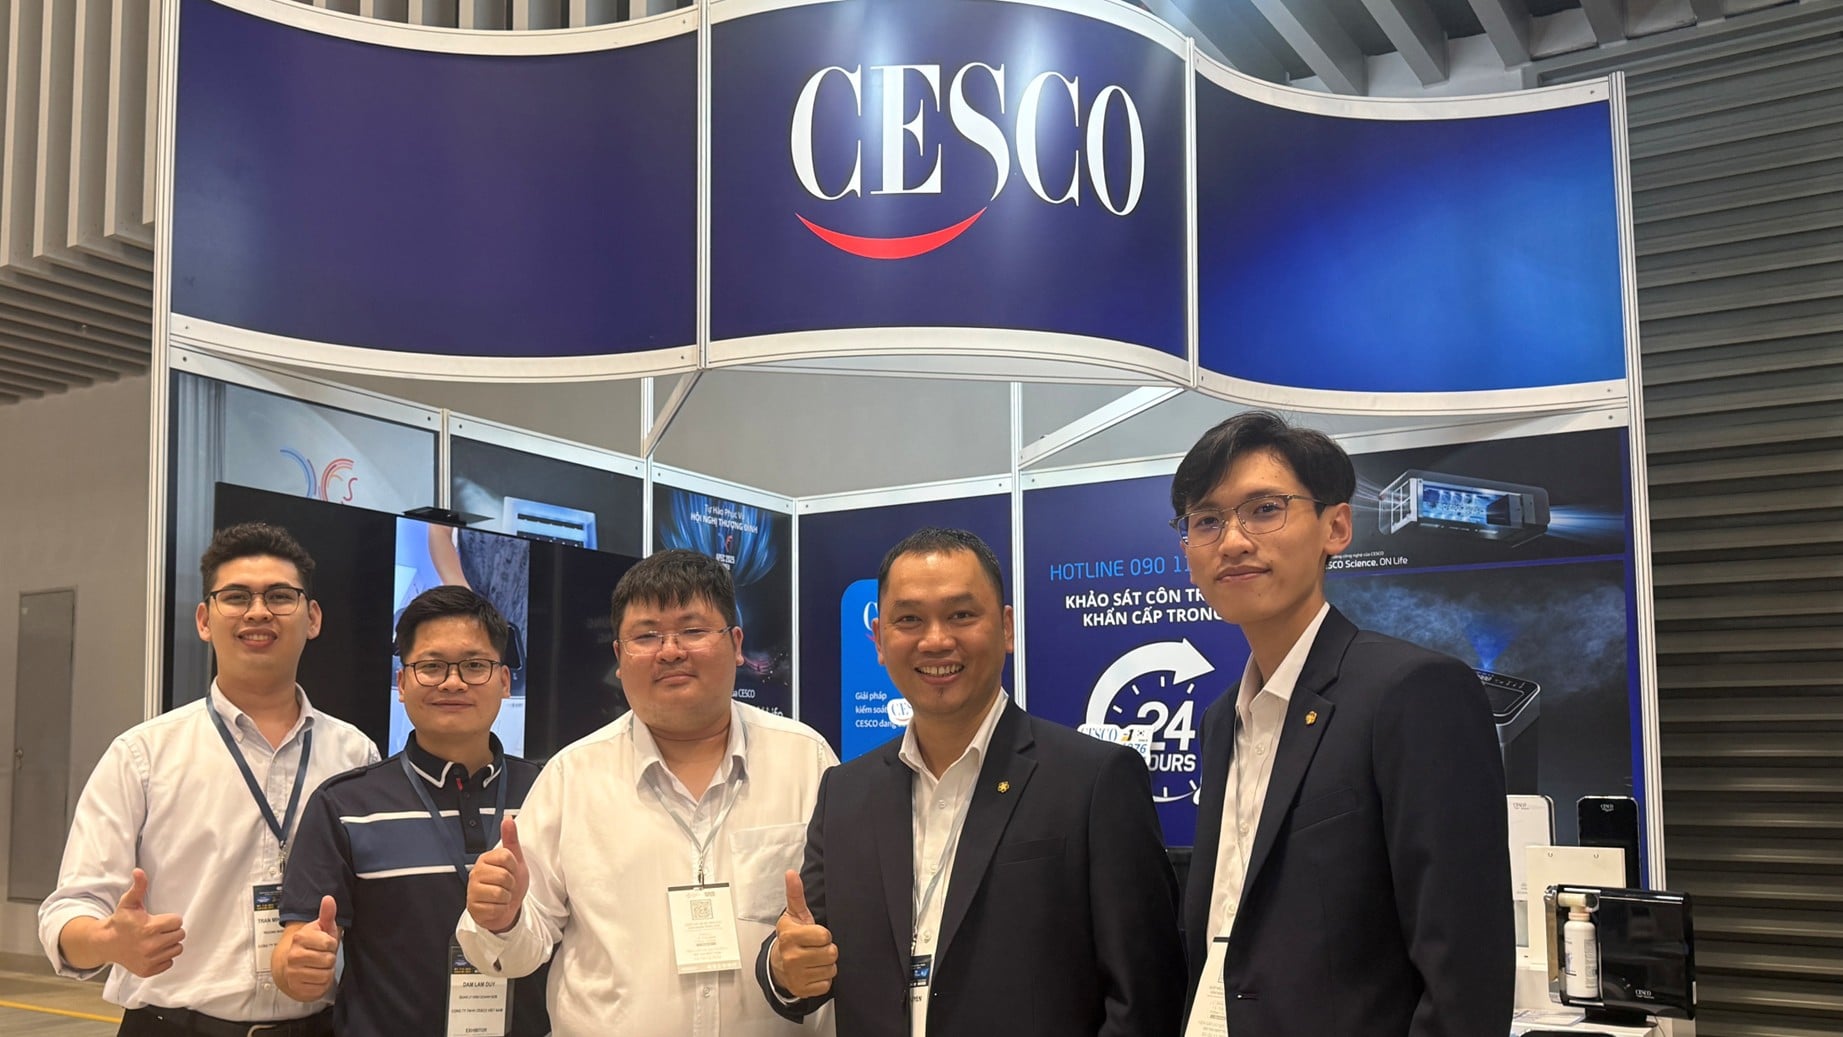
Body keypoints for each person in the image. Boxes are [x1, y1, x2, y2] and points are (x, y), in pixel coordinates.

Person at [759, 528, 1185, 1037]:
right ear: (879, 640)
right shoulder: (845, 792)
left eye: (961, 615)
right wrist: (784, 968)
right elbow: (807, 951)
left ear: (1006, 628)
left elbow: (1145, 999)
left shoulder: (1094, 780)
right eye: (909, 619)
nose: (936, 640)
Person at [1172, 411, 1513, 1036]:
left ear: (1336, 527)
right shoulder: (1221, 721)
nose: (1233, 541)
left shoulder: (1412, 692)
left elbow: (1465, 970)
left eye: (1265, 510)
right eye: (1207, 520)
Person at [458, 548, 838, 1035]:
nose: (671, 651)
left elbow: (851, 924)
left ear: (736, 643)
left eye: (693, 630)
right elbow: (518, 951)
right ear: (620, 657)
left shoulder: (806, 761)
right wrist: (502, 919)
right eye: (646, 636)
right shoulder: (573, 777)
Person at [38, 522, 380, 1037]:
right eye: (236, 597)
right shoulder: (143, 755)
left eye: (279, 596)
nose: (258, 612)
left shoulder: (356, 755)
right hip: (171, 1026)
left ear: (312, 618)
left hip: (321, 1026)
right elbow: (69, 908)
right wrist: (108, 940)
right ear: (204, 620)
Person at [271, 585, 549, 1036]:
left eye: (474, 666)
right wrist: (297, 966)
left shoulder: (549, 793)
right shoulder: (345, 804)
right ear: (402, 684)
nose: (453, 682)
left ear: (504, 681)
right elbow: (295, 947)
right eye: (431, 666)